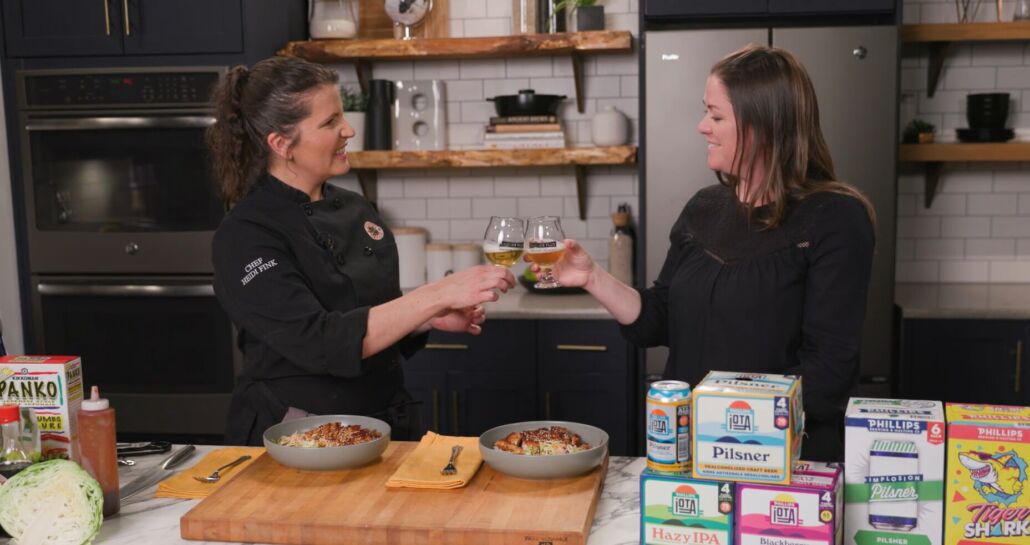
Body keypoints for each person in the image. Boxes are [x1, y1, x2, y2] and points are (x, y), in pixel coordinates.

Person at [534, 45, 875, 461]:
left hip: (784, 467)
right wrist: (592, 277)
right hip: (690, 455)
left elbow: (828, 372)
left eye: (716, 116)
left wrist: (725, 430)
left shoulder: (835, 218)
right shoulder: (705, 207)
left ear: (764, 125)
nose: (702, 127)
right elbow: (658, 320)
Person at [208, 56, 514, 446]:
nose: (349, 129)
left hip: (383, 422)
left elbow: (372, 311)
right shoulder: (247, 234)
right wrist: (435, 295)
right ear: (282, 144)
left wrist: (429, 317)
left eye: (343, 116)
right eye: (330, 122)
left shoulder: (355, 207)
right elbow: (322, 342)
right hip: (297, 434)